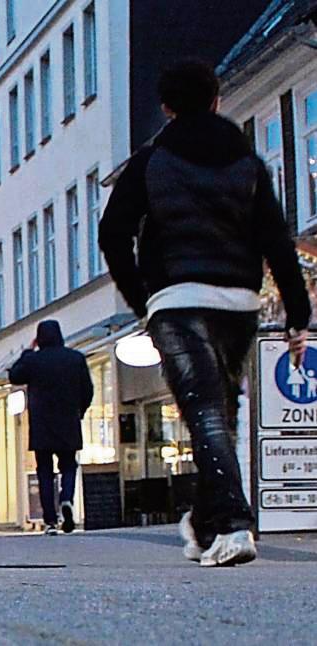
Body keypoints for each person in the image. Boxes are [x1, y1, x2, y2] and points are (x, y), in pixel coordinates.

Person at [99, 60, 310, 566]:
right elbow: (276, 242)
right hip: (237, 303)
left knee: (206, 413)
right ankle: (205, 524)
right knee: (220, 416)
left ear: (167, 108)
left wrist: (143, 299)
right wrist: (297, 315)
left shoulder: (150, 163)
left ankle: (235, 526)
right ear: (217, 100)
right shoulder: (247, 163)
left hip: (177, 302)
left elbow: (112, 233)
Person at [8, 320, 93, 536]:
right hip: (68, 422)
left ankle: (50, 521)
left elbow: (15, 376)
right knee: (69, 466)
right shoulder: (75, 359)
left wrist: (27, 351)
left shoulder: (34, 361)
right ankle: (66, 499)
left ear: (39, 338)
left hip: (42, 425)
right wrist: (79, 411)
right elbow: (87, 390)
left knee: (44, 472)